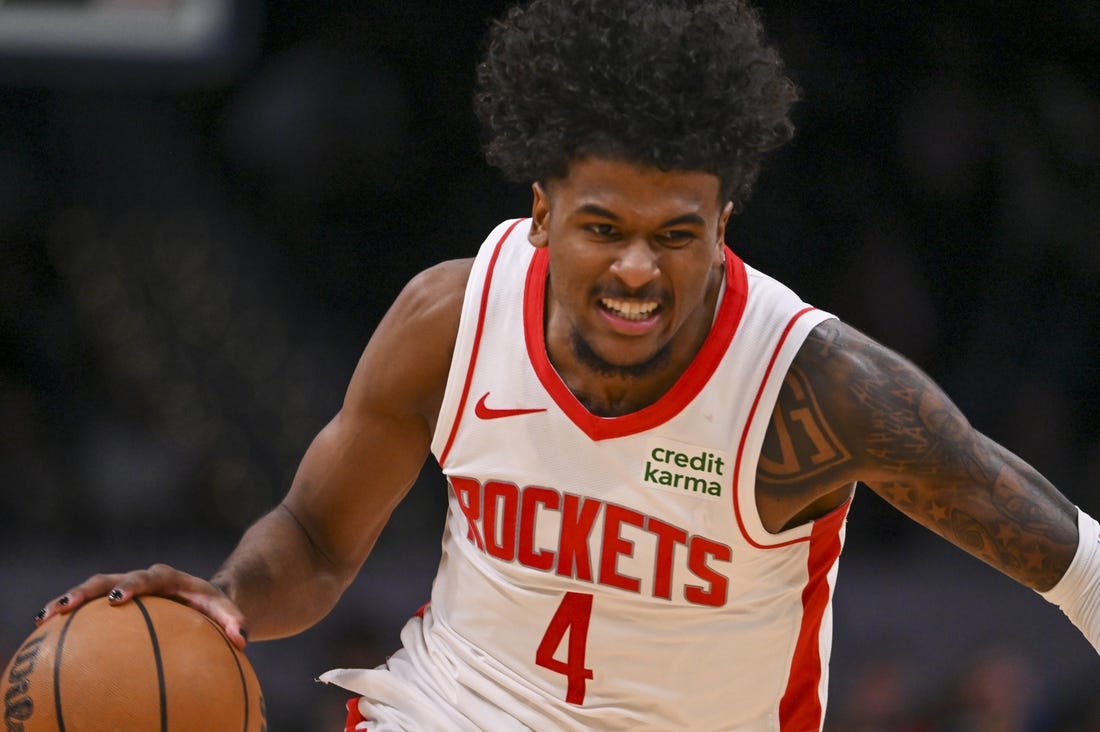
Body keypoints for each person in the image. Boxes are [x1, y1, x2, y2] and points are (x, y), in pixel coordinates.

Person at [33, 0, 1100, 729]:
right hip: (452, 708)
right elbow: (314, 537)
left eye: (676, 234)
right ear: (540, 211)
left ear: (724, 219)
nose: (636, 268)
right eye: (602, 226)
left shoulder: (813, 387)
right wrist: (225, 598)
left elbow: (1072, 562)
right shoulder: (450, 318)